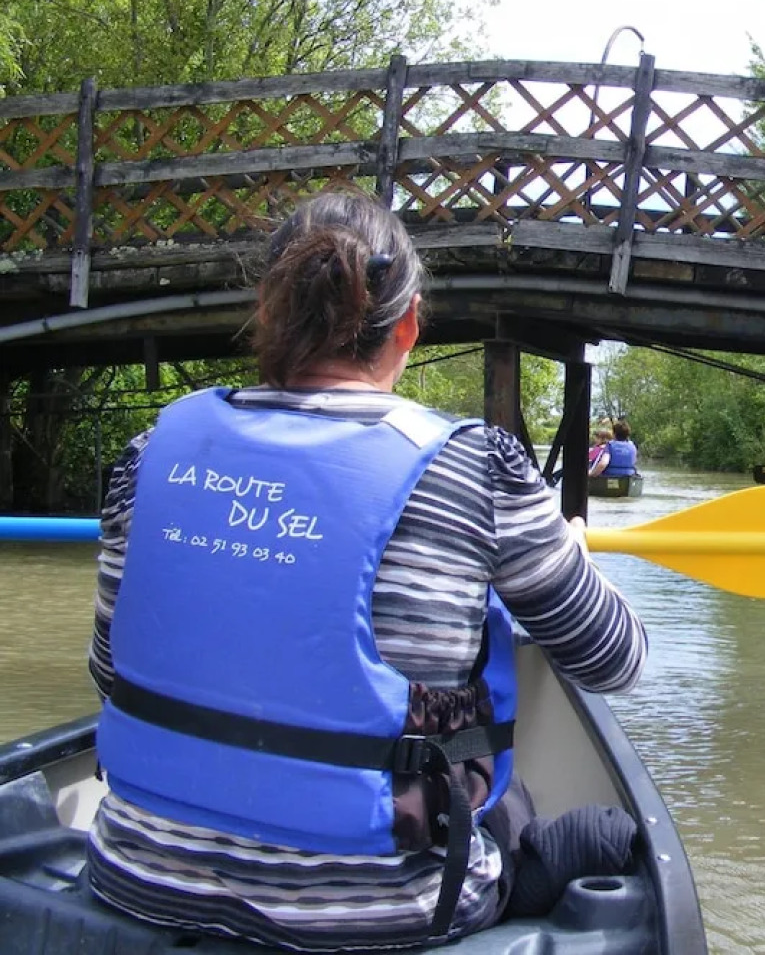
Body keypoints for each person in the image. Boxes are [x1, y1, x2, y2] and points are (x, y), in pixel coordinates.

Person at [85, 191, 648, 951]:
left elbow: (105, 668)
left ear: (267, 304)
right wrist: (567, 555)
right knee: (599, 832)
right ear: (410, 322)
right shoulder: (477, 471)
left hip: (135, 873)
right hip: (385, 908)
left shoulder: (150, 453)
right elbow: (615, 659)